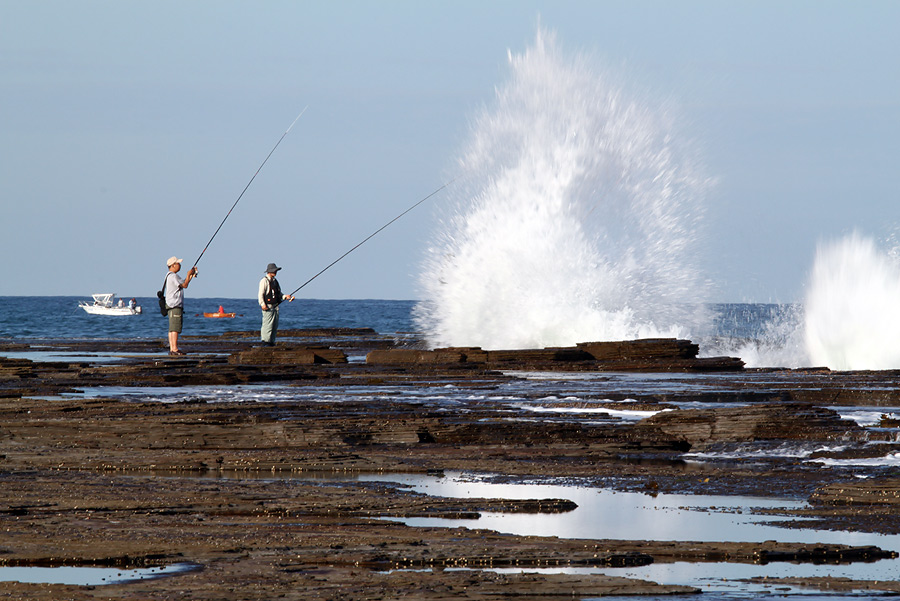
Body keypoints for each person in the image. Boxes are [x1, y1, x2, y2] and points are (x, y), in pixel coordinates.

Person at [163, 256, 197, 355]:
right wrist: (188, 274)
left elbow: (184, 283)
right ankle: (174, 349)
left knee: (172, 328)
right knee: (175, 328)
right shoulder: (173, 276)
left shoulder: (170, 276)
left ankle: (173, 349)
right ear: (173, 265)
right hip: (175, 305)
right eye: (178, 263)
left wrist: (190, 276)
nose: (179, 265)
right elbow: (185, 285)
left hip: (171, 305)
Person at [258, 262, 294, 346]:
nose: (275, 272)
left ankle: (271, 341)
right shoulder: (264, 281)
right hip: (268, 307)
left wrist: (286, 297)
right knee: (267, 325)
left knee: (274, 326)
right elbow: (261, 294)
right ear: (269, 272)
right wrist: (263, 304)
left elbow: (279, 294)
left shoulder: (275, 281)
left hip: (276, 307)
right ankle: (265, 342)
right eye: (274, 270)